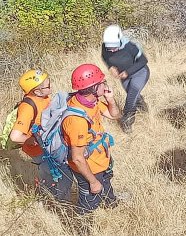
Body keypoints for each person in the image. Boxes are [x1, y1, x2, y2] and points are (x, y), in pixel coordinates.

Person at [8, 69, 72, 201]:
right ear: (36, 91)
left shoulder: (43, 97)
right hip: (40, 150)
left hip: (49, 146)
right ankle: (54, 201)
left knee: (58, 173)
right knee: (53, 175)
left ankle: (55, 196)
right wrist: (31, 139)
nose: (51, 87)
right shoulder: (28, 107)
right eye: (47, 86)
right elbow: (15, 137)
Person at [64, 64, 120, 214]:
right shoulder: (76, 119)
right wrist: (93, 182)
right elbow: (77, 158)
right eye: (102, 82)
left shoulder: (91, 101)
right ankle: (80, 226)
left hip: (100, 158)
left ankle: (110, 204)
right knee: (89, 202)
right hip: (89, 168)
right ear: (94, 87)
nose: (105, 84)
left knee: (106, 181)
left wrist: (111, 99)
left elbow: (114, 115)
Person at [100, 25, 149, 134]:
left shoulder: (130, 46)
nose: (112, 50)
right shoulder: (105, 47)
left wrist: (128, 72)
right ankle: (143, 108)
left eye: (115, 47)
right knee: (134, 95)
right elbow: (104, 56)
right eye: (110, 48)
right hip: (124, 76)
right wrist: (110, 67)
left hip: (140, 73)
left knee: (131, 94)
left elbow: (143, 61)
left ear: (120, 40)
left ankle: (127, 121)